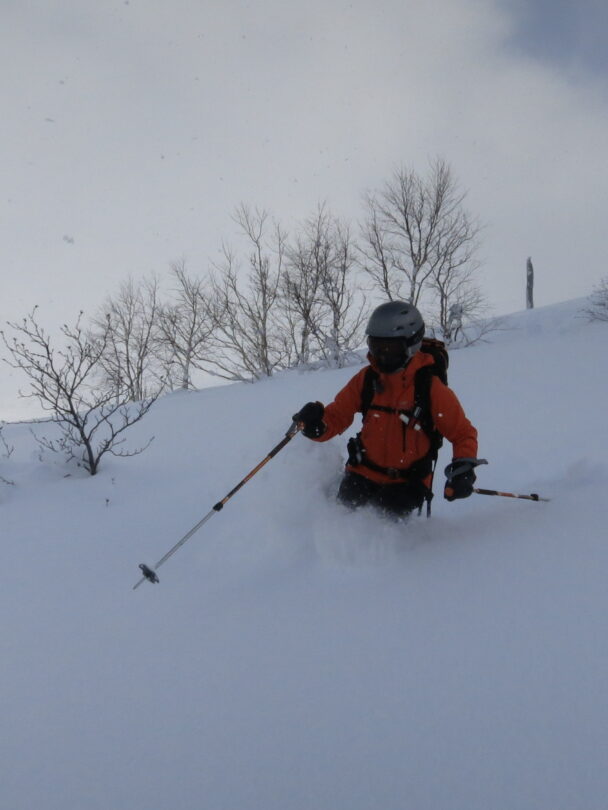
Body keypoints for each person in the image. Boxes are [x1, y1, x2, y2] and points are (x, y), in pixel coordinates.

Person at [293, 301, 483, 518]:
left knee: (388, 537)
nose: (382, 356)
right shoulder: (367, 379)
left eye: (390, 349)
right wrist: (316, 425)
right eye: (376, 347)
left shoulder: (430, 388)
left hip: (406, 483)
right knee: (340, 523)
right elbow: (336, 416)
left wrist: (463, 469)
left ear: (411, 345)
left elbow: (463, 434)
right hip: (361, 473)